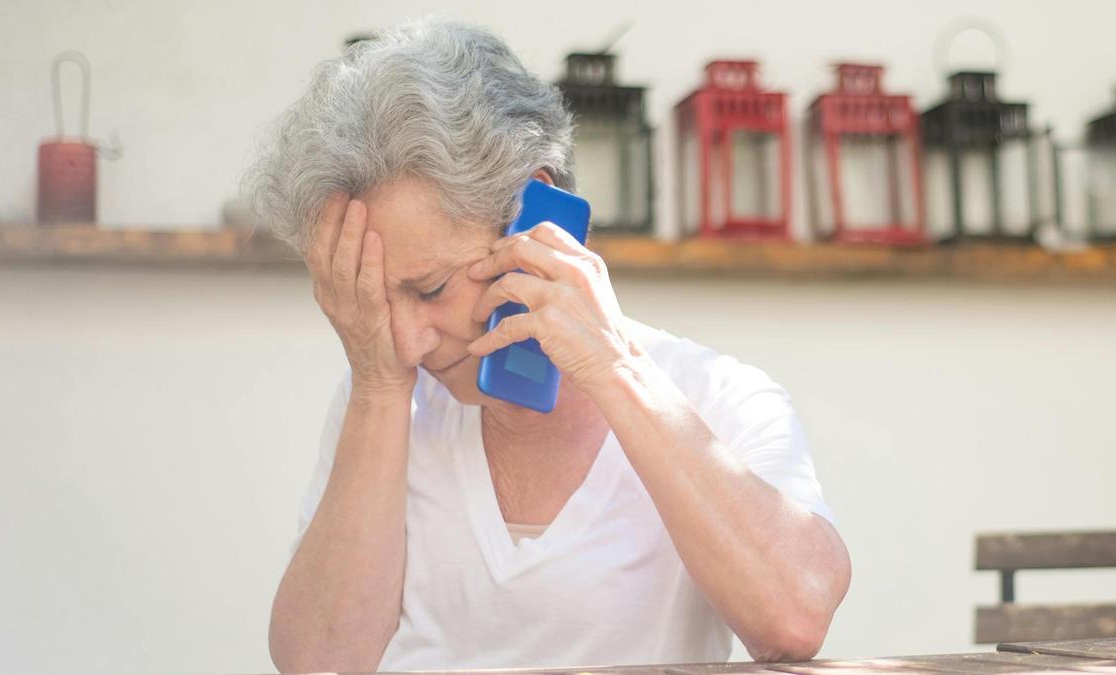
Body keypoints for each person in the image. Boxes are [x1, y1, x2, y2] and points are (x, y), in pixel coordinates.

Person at [241, 15, 850, 674]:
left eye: (432, 287)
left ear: (538, 213)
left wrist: (613, 368)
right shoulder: (383, 394)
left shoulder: (720, 396)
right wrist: (379, 389)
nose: (409, 342)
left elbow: (795, 619)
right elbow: (320, 663)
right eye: (379, 302)